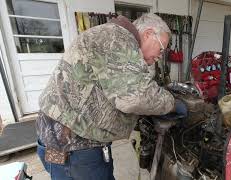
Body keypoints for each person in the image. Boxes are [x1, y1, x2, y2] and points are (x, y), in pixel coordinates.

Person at [36, 13, 187, 180]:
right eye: (160, 49)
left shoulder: (110, 35)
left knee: (63, 172)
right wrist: (172, 103)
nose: (159, 57)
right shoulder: (119, 39)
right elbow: (135, 97)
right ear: (148, 34)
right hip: (75, 147)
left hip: (58, 141)